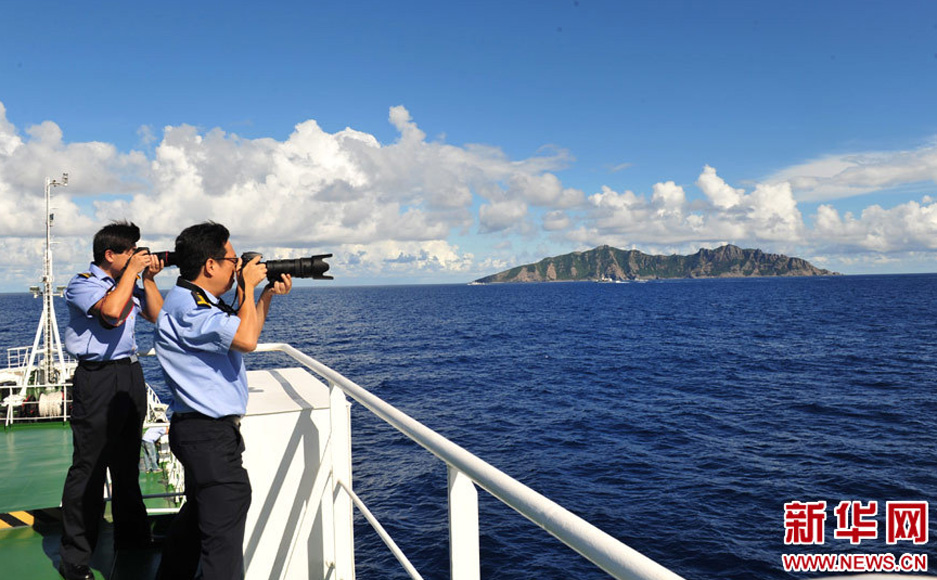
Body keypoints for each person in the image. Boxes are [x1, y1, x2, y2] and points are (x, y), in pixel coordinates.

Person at [155, 222, 291, 580]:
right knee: (223, 538)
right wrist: (247, 285)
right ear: (210, 265)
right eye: (232, 261)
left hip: (205, 434)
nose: (236, 267)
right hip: (207, 435)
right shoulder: (191, 309)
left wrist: (263, 295)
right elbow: (246, 339)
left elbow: (246, 333)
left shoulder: (194, 300)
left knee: (198, 518)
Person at [58, 221, 164, 580]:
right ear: (110, 254)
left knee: (126, 463)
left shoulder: (128, 282)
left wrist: (148, 279)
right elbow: (111, 313)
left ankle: (133, 538)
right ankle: (75, 557)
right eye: (130, 251)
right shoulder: (82, 284)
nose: (135, 256)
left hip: (129, 374)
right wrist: (131, 274)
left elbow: (156, 316)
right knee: (89, 468)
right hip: (97, 378)